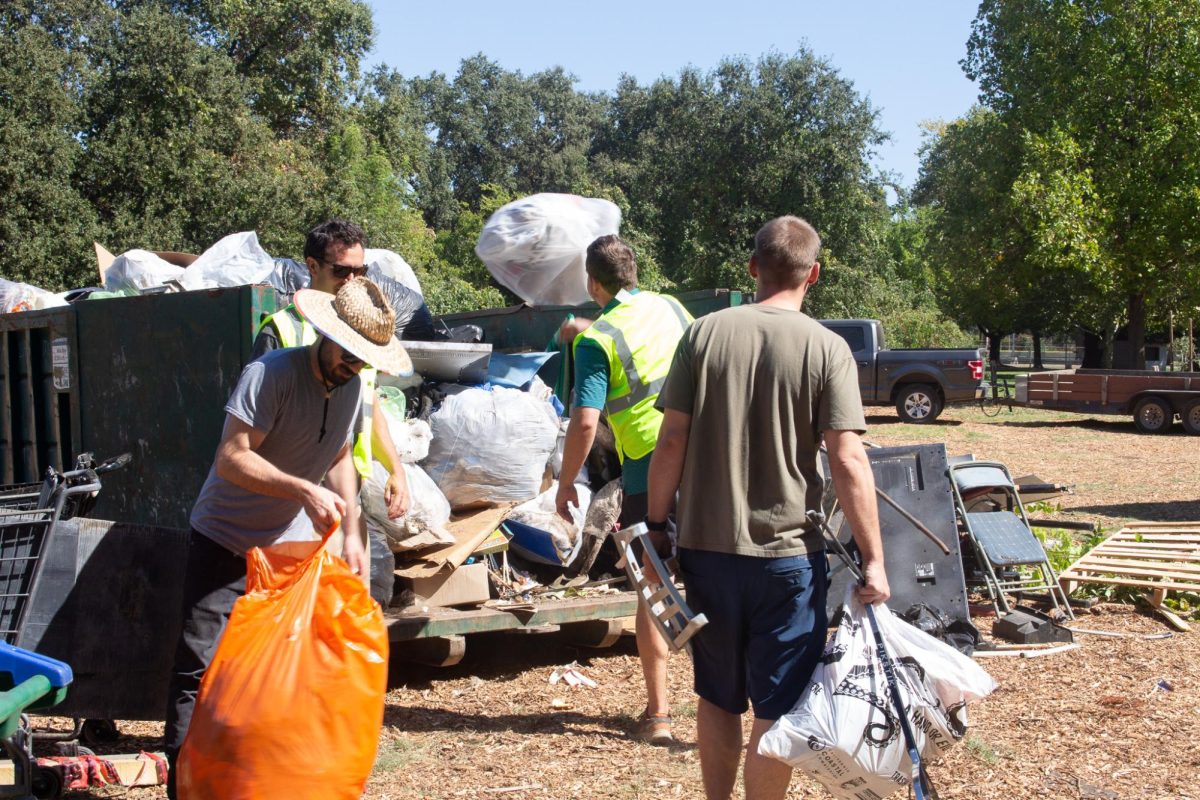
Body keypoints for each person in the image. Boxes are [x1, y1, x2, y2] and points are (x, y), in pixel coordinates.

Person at [646, 215, 890, 800]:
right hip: (788, 559)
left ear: (753, 267)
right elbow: (848, 459)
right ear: (815, 274)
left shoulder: (703, 334)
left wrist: (657, 527)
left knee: (716, 695)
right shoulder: (828, 348)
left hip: (707, 551)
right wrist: (875, 559)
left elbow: (671, 440)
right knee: (777, 708)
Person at [164, 278, 413, 799]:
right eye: (352, 357)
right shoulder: (269, 374)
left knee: (280, 679)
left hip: (288, 554)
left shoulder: (349, 389)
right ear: (327, 334)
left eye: (366, 362)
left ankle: (258, 782)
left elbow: (341, 455)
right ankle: (187, 786)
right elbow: (231, 458)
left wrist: (350, 530)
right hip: (225, 541)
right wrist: (302, 489)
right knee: (202, 670)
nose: (357, 368)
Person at [553, 234, 693, 745]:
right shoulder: (673, 308)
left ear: (593, 283)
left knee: (652, 587)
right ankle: (727, 698)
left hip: (650, 472)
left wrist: (566, 484)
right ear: (634, 272)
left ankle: (658, 715)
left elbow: (586, 423)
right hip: (708, 457)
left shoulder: (596, 341)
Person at [254, 220, 413, 580]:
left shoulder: (366, 332)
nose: (353, 281)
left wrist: (396, 469)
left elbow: (367, 406)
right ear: (312, 267)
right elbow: (251, 438)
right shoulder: (282, 329)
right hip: (291, 512)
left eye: (361, 271)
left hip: (344, 502)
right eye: (342, 270)